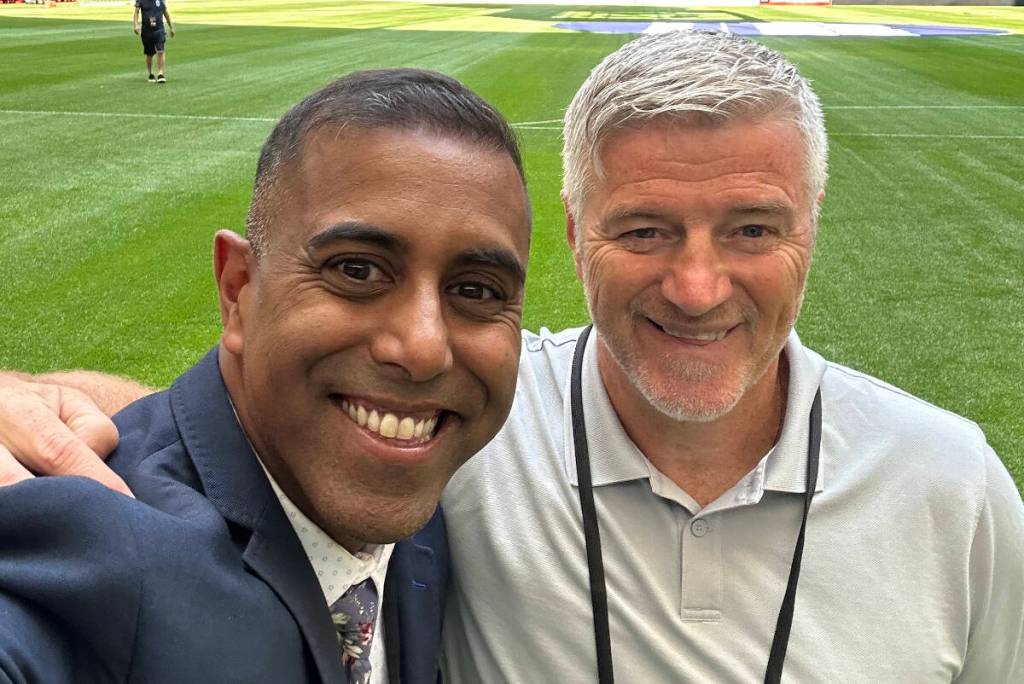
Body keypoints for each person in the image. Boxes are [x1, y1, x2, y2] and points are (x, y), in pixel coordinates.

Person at [1, 31, 1022, 683]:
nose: (698, 286)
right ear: (576, 235)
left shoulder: (952, 484)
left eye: (752, 230)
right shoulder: (473, 422)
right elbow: (264, 423)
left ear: (813, 223)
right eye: (645, 231)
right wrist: (34, 405)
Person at [0, 67, 531, 684]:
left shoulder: (419, 472)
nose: (422, 348)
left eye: (475, 289)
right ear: (238, 290)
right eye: (357, 271)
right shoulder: (97, 543)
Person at [133, 0, 174, 83]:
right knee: (149, 53)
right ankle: (150, 73)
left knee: (161, 51)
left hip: (159, 29)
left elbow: (166, 13)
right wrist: (136, 25)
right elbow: (136, 12)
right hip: (146, 30)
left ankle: (160, 74)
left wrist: (171, 27)